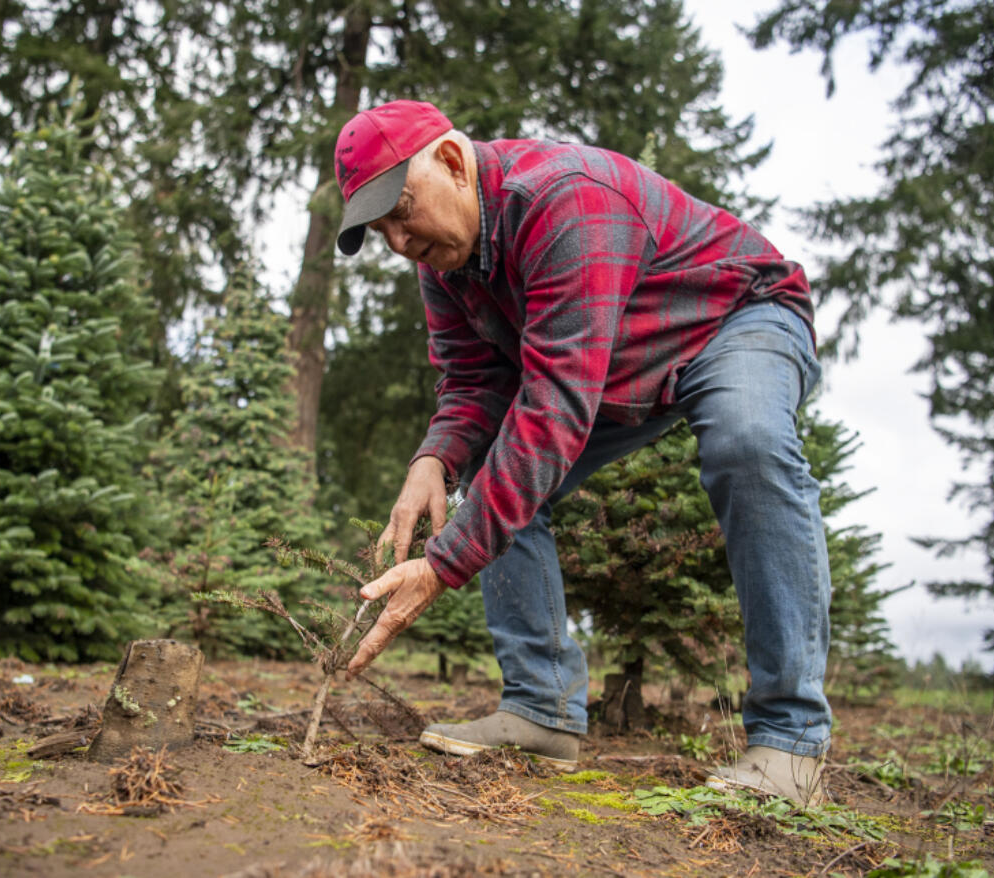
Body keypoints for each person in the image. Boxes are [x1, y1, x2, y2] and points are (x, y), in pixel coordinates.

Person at [333, 99, 831, 806]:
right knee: (490, 467)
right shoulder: (443, 260)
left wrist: (442, 566)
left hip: (732, 318)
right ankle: (539, 709)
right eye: (381, 227)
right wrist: (433, 460)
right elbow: (476, 380)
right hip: (620, 364)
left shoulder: (565, 201)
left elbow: (554, 408)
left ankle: (790, 739)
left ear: (451, 160)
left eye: (401, 210)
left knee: (748, 443)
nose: (397, 240)